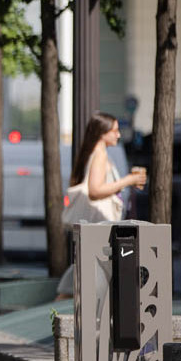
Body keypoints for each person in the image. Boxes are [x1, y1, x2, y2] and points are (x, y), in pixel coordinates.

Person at [58, 111, 148, 300]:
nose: (118, 134)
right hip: (99, 225)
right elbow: (95, 190)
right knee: (89, 274)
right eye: (114, 130)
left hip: (97, 226)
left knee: (86, 274)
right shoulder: (99, 155)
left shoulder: (97, 154)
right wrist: (128, 180)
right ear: (102, 132)